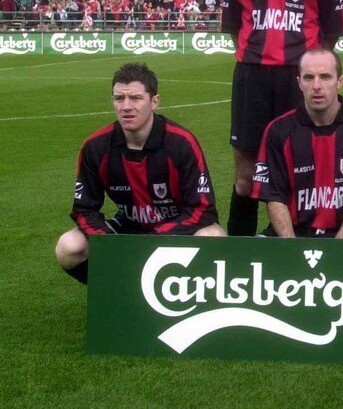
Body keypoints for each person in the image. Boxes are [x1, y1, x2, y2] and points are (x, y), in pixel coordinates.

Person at [221, 0, 343, 236]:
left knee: (303, 169)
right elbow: (233, 25)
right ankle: (237, 254)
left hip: (300, 80)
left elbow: (332, 30)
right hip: (253, 78)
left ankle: (294, 247)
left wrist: (310, 72)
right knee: (245, 175)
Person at [54, 63, 225, 284]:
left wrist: (152, 240)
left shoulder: (181, 143)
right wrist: (109, 242)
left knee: (214, 237)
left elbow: (203, 210)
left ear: (154, 102)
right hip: (128, 229)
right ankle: (115, 287)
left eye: (135, 98)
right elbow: (84, 211)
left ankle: (188, 296)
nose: (126, 106)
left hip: (177, 227)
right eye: (119, 98)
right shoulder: (96, 146)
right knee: (69, 247)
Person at [252, 48, 343, 238]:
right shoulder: (278, 130)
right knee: (257, 249)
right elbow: (274, 199)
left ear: (340, 81)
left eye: (325, 77)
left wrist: (337, 246)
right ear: (299, 83)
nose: (316, 85)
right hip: (294, 232)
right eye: (308, 78)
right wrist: (293, 248)